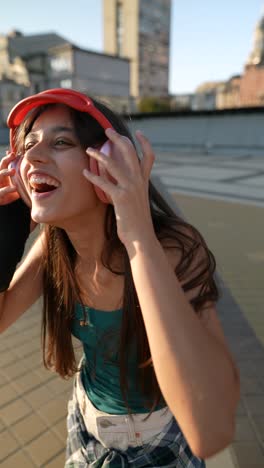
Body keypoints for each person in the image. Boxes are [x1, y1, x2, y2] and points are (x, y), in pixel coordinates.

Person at [0, 88, 240, 467]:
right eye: (27, 145)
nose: (32, 156)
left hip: (161, 439)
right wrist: (6, 236)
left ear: (106, 164)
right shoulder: (53, 247)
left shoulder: (174, 248)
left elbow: (210, 430)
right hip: (86, 421)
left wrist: (139, 236)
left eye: (61, 141)